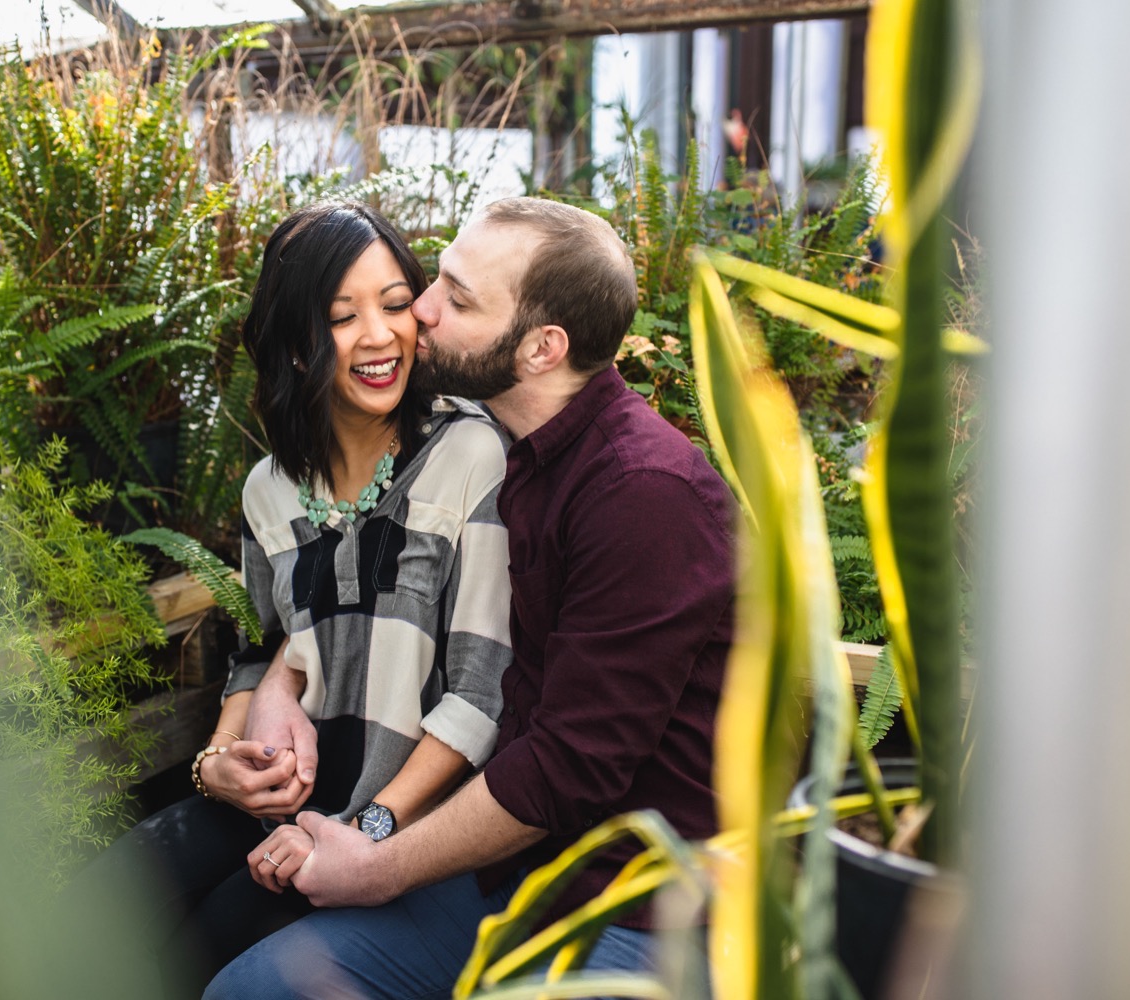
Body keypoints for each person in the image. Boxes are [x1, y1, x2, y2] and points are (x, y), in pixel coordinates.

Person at [205, 197, 736, 1000]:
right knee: (250, 990)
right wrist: (279, 681)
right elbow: (341, 581)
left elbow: (566, 768)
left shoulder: (642, 496)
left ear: (540, 348)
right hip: (511, 875)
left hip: (637, 908)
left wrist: (375, 856)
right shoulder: (514, 447)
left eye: (454, 298)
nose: (419, 312)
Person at [56, 201, 513, 994]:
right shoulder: (269, 490)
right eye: (341, 317)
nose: (379, 336)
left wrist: (364, 830)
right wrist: (218, 765)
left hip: (398, 822)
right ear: (295, 346)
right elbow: (260, 653)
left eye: (397, 304)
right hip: (281, 798)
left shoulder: (469, 453)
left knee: (201, 952)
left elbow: (480, 692)